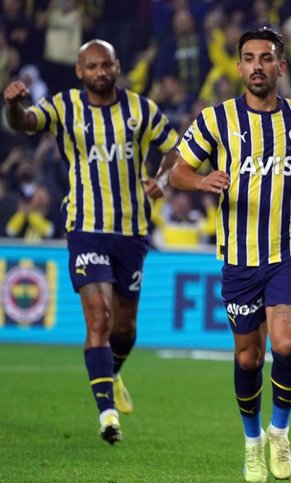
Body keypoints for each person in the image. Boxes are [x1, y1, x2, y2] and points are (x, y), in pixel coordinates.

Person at [3, 39, 179, 445]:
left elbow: (175, 149)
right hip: (85, 226)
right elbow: (24, 122)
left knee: (125, 328)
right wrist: (12, 105)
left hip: (131, 230)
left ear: (117, 67)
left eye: (107, 65)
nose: (101, 72)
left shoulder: (141, 109)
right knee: (99, 318)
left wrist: (164, 179)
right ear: (80, 71)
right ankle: (107, 415)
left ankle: (111, 373)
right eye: (93, 66)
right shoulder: (64, 106)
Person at [170, 27, 291, 483]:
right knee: (248, 358)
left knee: (286, 344)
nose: (258, 65)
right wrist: (202, 181)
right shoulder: (216, 120)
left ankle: (280, 431)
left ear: (281, 66)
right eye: (250, 58)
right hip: (239, 257)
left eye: (267, 57)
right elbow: (178, 171)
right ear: (238, 67)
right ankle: (252, 440)